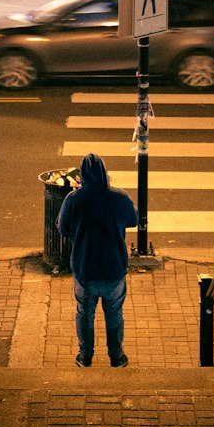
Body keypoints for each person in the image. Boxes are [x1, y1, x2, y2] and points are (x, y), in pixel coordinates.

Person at [57, 153, 138, 368]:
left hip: (85, 268)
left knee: (85, 312)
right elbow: (133, 219)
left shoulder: (73, 199)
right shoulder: (120, 198)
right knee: (114, 312)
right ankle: (116, 356)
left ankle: (85, 356)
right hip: (114, 267)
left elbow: (62, 228)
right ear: (105, 173)